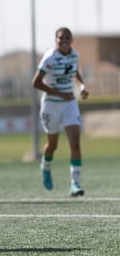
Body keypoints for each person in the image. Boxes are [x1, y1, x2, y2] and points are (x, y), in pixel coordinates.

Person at [32, 27, 89, 196]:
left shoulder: (74, 55)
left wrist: (82, 86)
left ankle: (75, 184)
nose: (64, 41)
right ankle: (46, 166)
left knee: (75, 142)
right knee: (53, 145)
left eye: (67, 38)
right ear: (55, 40)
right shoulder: (50, 56)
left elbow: (74, 72)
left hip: (69, 103)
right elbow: (35, 82)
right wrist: (59, 93)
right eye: (60, 38)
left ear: (71, 40)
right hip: (51, 105)